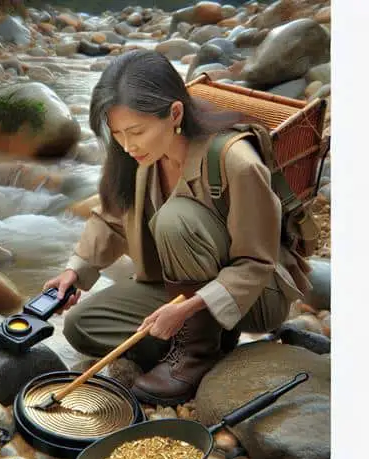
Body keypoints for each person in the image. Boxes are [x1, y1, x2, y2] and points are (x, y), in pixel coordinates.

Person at [44, 50, 313, 406]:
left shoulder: (236, 162)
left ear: (174, 113)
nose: (127, 145)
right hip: (184, 290)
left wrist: (186, 310)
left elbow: (257, 263)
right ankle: (213, 336)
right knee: (82, 325)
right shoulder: (137, 157)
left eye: (137, 131)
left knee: (176, 218)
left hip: (256, 295)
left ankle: (195, 354)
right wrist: (74, 273)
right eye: (118, 134)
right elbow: (112, 219)